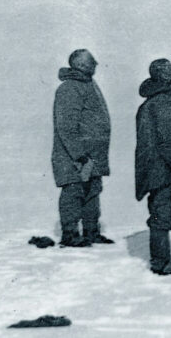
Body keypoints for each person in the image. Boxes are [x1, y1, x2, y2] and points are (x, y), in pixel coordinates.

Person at [135, 59, 171, 275]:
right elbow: (167, 144)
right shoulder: (164, 103)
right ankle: (161, 262)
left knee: (161, 214)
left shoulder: (151, 103)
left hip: (155, 171)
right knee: (162, 216)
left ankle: (162, 259)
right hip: (164, 172)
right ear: (161, 75)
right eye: (170, 70)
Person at [51, 49, 113, 247]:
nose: (96, 63)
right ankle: (70, 235)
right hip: (74, 157)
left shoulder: (88, 85)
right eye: (91, 61)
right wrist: (80, 155)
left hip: (91, 156)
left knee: (92, 192)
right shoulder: (69, 88)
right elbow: (66, 126)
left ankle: (91, 232)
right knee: (73, 191)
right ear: (81, 65)